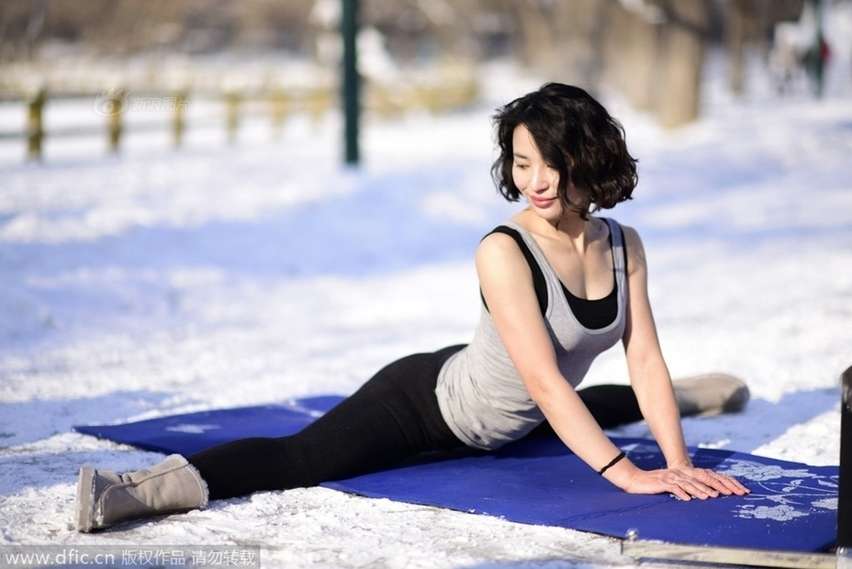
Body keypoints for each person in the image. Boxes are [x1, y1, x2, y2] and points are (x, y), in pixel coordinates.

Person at [75, 82, 751, 533]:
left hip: (512, 417)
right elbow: (545, 381)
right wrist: (629, 473)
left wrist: (678, 459)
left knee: (601, 401)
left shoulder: (623, 244)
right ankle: (133, 489)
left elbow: (644, 354)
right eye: (521, 162)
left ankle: (687, 399)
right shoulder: (504, 250)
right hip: (426, 402)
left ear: (588, 157)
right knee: (303, 458)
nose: (535, 179)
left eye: (551, 160)